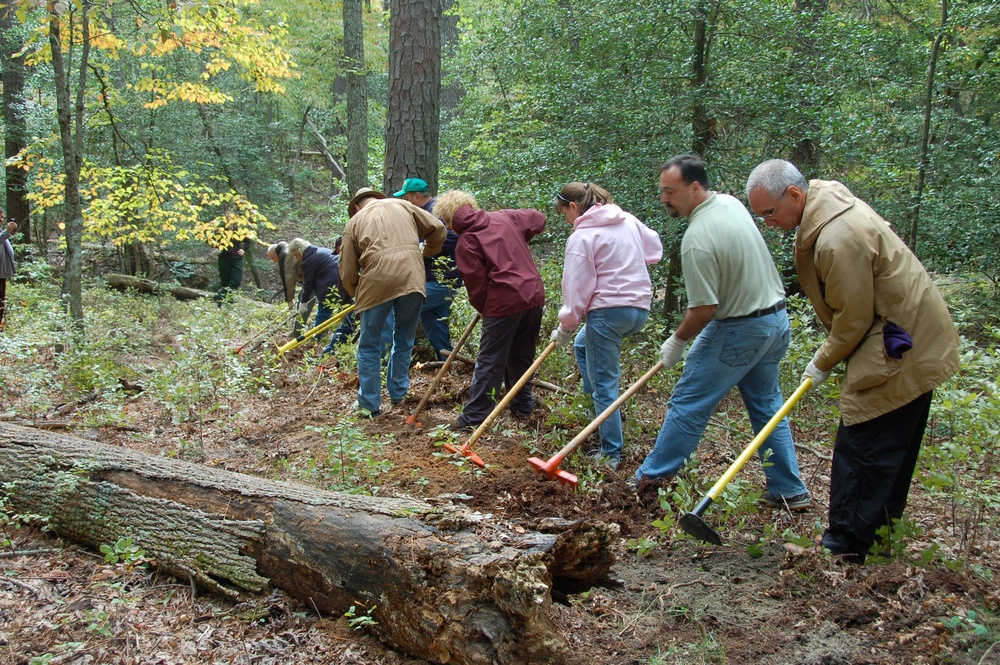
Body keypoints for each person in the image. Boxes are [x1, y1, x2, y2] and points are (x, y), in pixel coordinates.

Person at [745, 159, 960, 563]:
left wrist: (823, 360)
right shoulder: (824, 212)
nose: (769, 224)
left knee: (863, 444)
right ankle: (874, 540)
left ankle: (845, 548)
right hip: (904, 335)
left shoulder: (837, 237)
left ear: (794, 194)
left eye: (770, 213)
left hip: (900, 343)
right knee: (886, 445)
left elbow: (854, 317)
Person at [632, 154, 810, 511]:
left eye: (671, 191)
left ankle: (649, 482)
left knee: (689, 402)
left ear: (695, 188)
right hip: (775, 322)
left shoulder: (697, 238)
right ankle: (789, 490)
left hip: (740, 329)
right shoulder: (729, 204)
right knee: (767, 405)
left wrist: (677, 340)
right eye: (662, 191)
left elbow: (704, 309)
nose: (664, 198)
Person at [549, 182, 662, 470]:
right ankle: (596, 414)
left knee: (604, 384)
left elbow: (576, 288)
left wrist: (565, 325)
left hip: (608, 313)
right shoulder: (626, 219)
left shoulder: (582, 237)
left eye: (565, 214)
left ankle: (610, 453)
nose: (567, 221)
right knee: (582, 346)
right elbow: (654, 248)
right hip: (638, 310)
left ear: (573, 207)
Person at [432, 190, 546, 431]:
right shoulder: (504, 217)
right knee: (522, 353)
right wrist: (517, 238)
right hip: (533, 295)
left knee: (490, 359)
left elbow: (476, 286)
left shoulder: (467, 241)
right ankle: (523, 406)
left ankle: (474, 417)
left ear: (450, 219)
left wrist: (486, 308)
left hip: (504, 303)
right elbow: (537, 218)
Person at [340, 187, 447, 416]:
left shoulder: (354, 222)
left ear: (357, 207)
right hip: (412, 277)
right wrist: (427, 253)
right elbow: (438, 228)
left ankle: (369, 405)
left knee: (369, 345)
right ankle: (399, 394)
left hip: (376, 281)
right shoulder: (404, 205)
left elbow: (348, 271)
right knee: (404, 338)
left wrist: (357, 292)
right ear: (378, 198)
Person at [393, 177, 463, 359]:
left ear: (417, 197)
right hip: (436, 280)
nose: (404, 202)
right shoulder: (423, 212)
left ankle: (391, 362)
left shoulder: (435, 210)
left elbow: (453, 237)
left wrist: (422, 248)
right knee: (434, 324)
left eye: (406, 198)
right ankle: (448, 363)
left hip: (440, 281)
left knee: (397, 311)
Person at [287, 238, 351, 355]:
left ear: (299, 251)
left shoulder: (308, 260)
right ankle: (343, 337)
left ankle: (318, 339)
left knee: (323, 311)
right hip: (344, 281)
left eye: (296, 255)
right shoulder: (321, 251)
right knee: (346, 311)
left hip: (331, 284)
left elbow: (308, 283)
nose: (297, 258)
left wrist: (303, 302)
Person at [213, 213, 245, 304]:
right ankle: (227, 304)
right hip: (224, 258)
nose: (229, 222)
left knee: (236, 281)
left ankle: (219, 297)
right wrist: (217, 246)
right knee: (225, 282)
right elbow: (210, 240)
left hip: (237, 258)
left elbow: (248, 240)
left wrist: (243, 249)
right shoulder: (220, 231)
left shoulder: (239, 230)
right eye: (228, 219)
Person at [0, 209, 17, 330]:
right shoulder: (3, 233)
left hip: (1, 274)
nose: (1, 219)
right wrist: (7, 231)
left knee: (1, 302)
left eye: (2, 217)